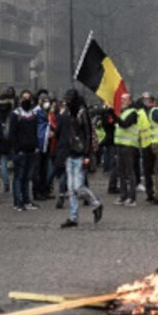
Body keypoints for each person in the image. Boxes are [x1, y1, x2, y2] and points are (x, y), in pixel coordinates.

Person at [57, 89, 103, 227]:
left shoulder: (82, 113)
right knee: (71, 188)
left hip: (80, 153)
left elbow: (88, 133)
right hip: (69, 153)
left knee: (77, 187)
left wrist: (88, 154)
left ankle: (96, 203)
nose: (67, 102)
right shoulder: (67, 113)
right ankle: (73, 217)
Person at [8, 90, 40, 212]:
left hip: (31, 149)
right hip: (20, 151)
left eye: (28, 98)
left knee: (27, 177)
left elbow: (36, 130)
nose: (26, 100)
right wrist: (17, 148)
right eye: (24, 98)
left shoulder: (33, 113)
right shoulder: (16, 114)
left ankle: (26, 200)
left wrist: (36, 145)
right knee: (19, 177)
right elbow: (12, 133)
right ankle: (17, 202)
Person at [111, 93, 140, 206]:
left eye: (124, 99)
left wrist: (113, 115)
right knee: (121, 172)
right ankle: (123, 196)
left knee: (129, 172)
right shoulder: (123, 112)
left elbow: (124, 124)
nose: (122, 101)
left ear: (130, 101)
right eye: (121, 99)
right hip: (121, 144)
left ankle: (132, 197)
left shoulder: (133, 113)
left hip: (129, 145)